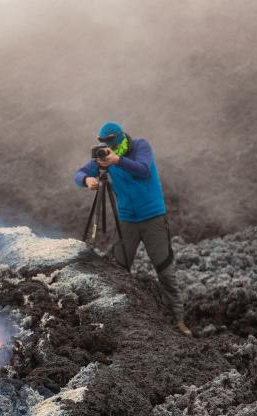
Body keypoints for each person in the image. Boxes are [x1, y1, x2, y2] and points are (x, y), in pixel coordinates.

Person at [74, 121, 192, 336]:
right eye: (103, 142)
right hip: (127, 220)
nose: (107, 145)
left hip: (153, 217)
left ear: (119, 137)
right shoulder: (104, 156)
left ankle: (178, 321)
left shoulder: (140, 146)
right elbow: (79, 174)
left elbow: (143, 170)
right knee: (119, 268)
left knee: (164, 269)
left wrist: (117, 160)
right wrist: (87, 179)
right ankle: (122, 318)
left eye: (110, 141)